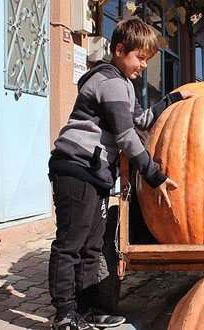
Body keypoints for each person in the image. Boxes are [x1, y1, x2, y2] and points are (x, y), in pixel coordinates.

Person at [47, 18, 191, 330]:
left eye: (147, 60)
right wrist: (154, 175)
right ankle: (65, 314)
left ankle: (89, 310)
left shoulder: (124, 84)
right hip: (76, 168)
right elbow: (127, 138)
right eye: (140, 58)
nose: (143, 66)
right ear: (120, 49)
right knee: (71, 244)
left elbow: (141, 120)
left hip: (95, 173)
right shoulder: (109, 81)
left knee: (91, 246)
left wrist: (174, 99)